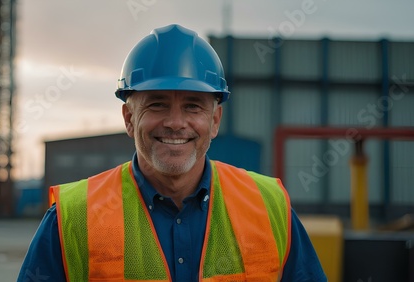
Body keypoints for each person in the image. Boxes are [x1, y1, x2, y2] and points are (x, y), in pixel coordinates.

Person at [18, 24, 326, 282]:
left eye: (193, 105)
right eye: (157, 104)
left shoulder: (270, 207)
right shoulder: (72, 218)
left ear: (215, 121)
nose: (176, 123)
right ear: (128, 119)